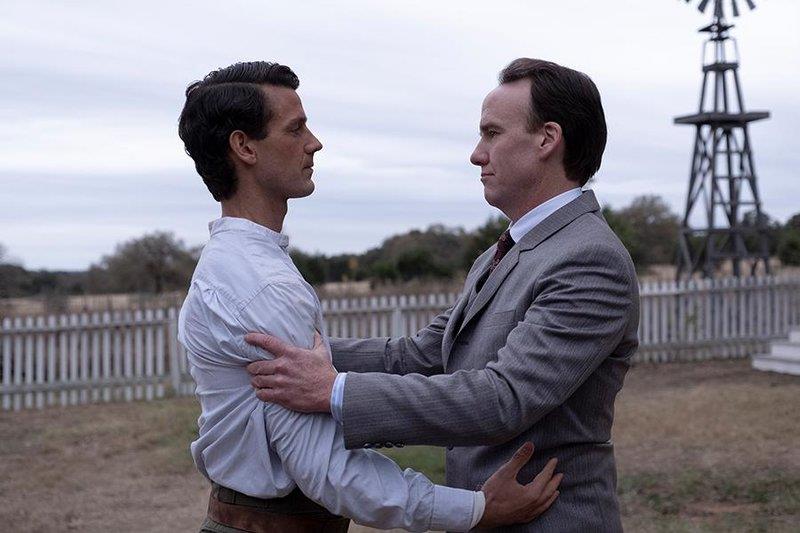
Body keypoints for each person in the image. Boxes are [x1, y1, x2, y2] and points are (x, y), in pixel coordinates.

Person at [246, 58, 640, 532]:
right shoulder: (503, 252)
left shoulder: (589, 259)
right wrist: (286, 350)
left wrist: (333, 390)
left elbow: (503, 398)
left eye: (492, 134)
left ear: (547, 139)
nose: (477, 154)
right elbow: (420, 356)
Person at [176, 60, 562, 533]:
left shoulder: (233, 263)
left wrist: (325, 373)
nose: (314, 142)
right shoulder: (264, 285)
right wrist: (475, 510)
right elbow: (326, 470)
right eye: (295, 129)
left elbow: (421, 352)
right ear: (244, 147)